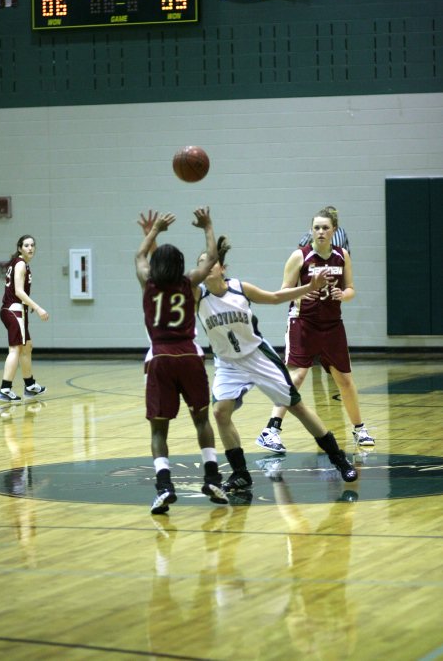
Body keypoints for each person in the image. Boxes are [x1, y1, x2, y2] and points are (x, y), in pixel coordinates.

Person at [195, 236, 358, 493]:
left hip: (257, 357)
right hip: (228, 363)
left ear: (222, 268)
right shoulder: (197, 295)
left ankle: (339, 459)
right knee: (220, 412)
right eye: (201, 265)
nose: (205, 269)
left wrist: (308, 287)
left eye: (210, 264)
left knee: (297, 407)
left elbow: (274, 297)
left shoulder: (239, 287)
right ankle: (240, 474)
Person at [135, 207, 229, 515]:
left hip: (161, 358)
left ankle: (164, 487)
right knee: (201, 420)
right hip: (189, 355)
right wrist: (207, 225)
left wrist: (154, 231)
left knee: (159, 431)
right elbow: (212, 259)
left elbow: (139, 256)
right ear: (180, 265)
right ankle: (213, 478)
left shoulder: (148, 282)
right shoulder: (189, 282)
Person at [258, 207, 374, 452]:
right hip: (303, 322)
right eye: (317, 228)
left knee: (344, 379)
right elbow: (282, 292)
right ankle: (271, 429)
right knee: (297, 376)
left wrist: (342, 294)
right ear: (311, 231)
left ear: (334, 231)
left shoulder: (342, 256)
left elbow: (352, 288)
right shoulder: (299, 257)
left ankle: (359, 429)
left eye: (325, 228)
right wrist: (305, 290)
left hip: (332, 325)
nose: (321, 231)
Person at [0, 235, 49, 403]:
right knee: (15, 349)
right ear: (19, 248)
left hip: (16, 310)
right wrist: (37, 307)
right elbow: (19, 292)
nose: (30, 248)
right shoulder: (20, 264)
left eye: (33, 245)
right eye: (26, 245)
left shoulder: (18, 263)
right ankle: (5, 389)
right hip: (14, 311)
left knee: (27, 347)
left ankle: (30, 385)